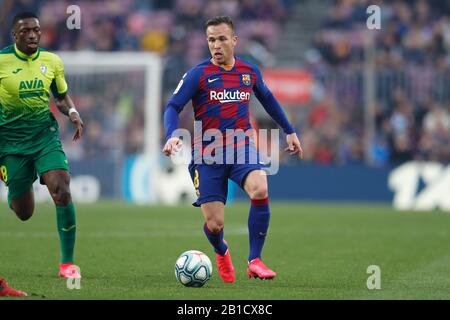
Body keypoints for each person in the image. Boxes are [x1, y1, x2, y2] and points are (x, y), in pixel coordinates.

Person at [162, 16, 302, 282]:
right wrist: (171, 135)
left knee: (260, 187)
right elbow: (173, 106)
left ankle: (255, 260)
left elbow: (269, 100)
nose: (216, 45)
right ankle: (221, 250)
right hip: (207, 154)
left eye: (222, 39)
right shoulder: (198, 75)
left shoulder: (249, 72)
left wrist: (289, 130)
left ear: (234, 40)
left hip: (241, 147)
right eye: (211, 40)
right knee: (215, 224)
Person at [0, 12, 84, 279]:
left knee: (61, 187)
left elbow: (60, 97)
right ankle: (20, 186)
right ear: (15, 36)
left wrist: (72, 113)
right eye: (26, 31)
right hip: (10, 143)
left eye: (36, 30)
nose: (33, 35)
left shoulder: (51, 61)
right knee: (23, 212)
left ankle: (67, 264)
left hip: (44, 137)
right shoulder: (1, 61)